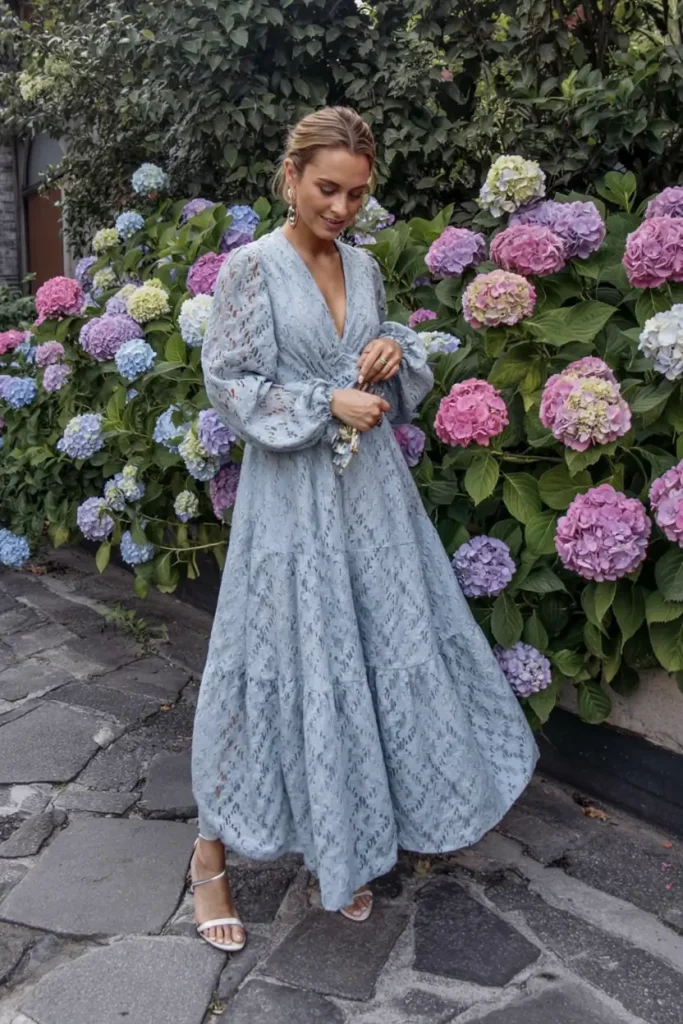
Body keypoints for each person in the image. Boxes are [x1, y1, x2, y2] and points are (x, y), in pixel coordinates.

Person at [190, 106, 539, 952]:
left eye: (355, 194)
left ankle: (338, 851)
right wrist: (324, 402)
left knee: (368, 656)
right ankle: (208, 856)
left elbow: (379, 350)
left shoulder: (364, 265)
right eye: (326, 189)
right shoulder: (251, 268)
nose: (341, 208)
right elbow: (229, 384)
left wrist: (389, 353)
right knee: (275, 659)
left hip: (372, 499)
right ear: (290, 176)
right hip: (290, 502)